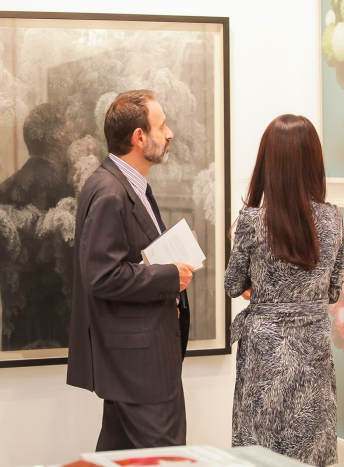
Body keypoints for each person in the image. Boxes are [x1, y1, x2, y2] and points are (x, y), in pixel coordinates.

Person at [67, 90, 193, 451]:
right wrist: (169, 276)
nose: (169, 134)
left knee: (116, 456)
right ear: (139, 137)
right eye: (161, 126)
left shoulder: (125, 185)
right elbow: (101, 275)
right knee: (166, 458)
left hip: (133, 361)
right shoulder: (111, 191)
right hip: (140, 367)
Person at [225, 115, 344, 467]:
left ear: (268, 163)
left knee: (259, 451)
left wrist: (263, 290)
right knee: (312, 447)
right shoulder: (333, 218)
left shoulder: (251, 221)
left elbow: (233, 285)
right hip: (313, 347)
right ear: (314, 162)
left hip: (265, 351)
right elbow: (333, 291)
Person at [0, 103, 75, 350]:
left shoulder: (4, 190)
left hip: (18, 333)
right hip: (64, 335)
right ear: (58, 136)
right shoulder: (70, 191)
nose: (74, 135)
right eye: (70, 128)